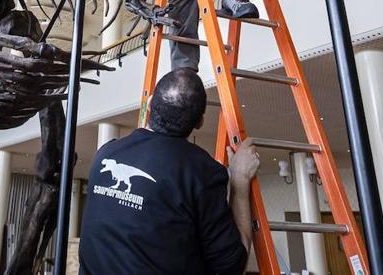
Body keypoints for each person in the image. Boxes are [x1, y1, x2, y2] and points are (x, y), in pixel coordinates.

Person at [79, 68, 261, 275]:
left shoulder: (105, 153)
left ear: (148, 107)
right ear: (200, 122)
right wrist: (239, 179)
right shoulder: (203, 171)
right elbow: (232, 266)